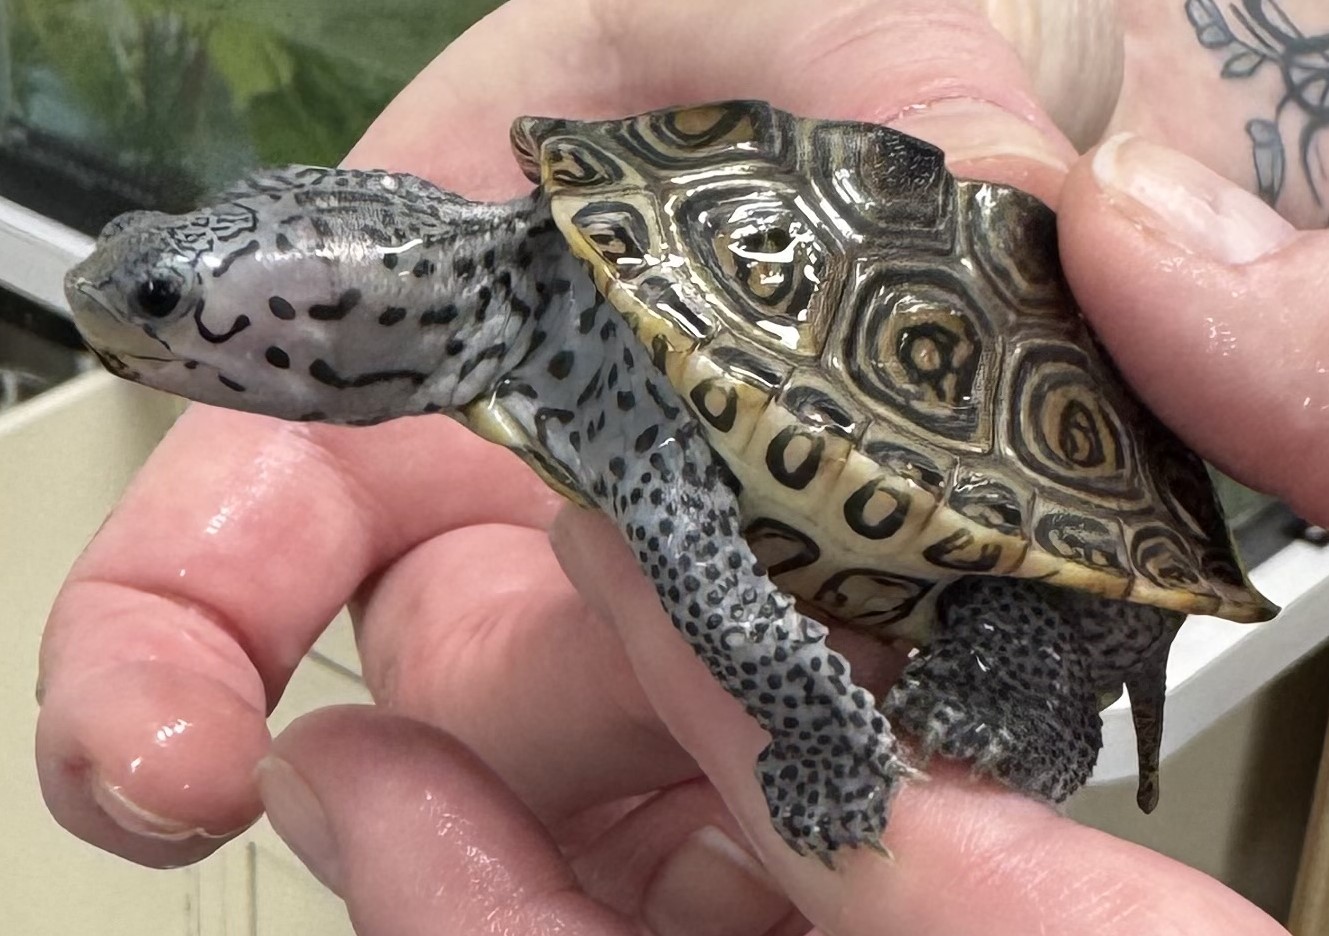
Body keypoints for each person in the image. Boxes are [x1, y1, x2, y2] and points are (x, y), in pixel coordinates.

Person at [36, 1, 1322, 932]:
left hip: (1046, 508)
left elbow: (722, 594)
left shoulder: (607, 363)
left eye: (158, 297)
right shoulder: (561, 316)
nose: (125, 316)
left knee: (981, 676)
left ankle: (1036, 673)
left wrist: (826, 742)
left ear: (323, 316)